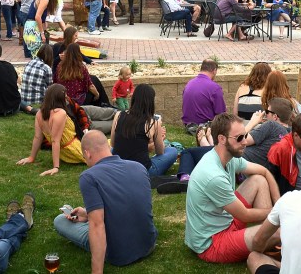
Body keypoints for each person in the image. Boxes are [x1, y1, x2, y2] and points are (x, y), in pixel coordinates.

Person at [54, 130, 158, 270]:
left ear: (87, 153)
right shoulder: (138, 167)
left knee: (60, 220)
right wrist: (86, 214)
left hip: (119, 253)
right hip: (148, 244)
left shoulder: (89, 177)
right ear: (108, 147)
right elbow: (129, 205)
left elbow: (97, 226)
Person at [184, 112, 280, 263]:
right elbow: (245, 215)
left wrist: (279, 203)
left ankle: (264, 237)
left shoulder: (227, 157)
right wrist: (278, 213)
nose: (245, 142)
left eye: (245, 135)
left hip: (226, 221)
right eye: (239, 138)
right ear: (222, 139)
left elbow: (264, 172)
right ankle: (267, 238)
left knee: (258, 180)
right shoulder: (213, 175)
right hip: (212, 242)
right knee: (279, 232)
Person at [109, 84, 181, 177]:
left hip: (119, 167)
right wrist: (161, 139)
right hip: (142, 171)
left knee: (112, 149)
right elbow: (160, 152)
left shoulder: (118, 115)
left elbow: (113, 144)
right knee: (172, 151)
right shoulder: (153, 123)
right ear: (151, 102)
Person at [16, 83, 85, 175]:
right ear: (59, 98)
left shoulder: (39, 114)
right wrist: (55, 167)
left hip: (65, 154)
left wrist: (31, 157)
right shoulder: (60, 113)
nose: (67, 97)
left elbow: (37, 137)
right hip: (75, 149)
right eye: (65, 95)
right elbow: (55, 141)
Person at [242, 98, 294, 173]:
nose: (265, 114)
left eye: (267, 112)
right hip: (263, 172)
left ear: (275, 117)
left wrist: (253, 122)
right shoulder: (289, 132)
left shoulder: (271, 125)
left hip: (247, 169)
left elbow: (240, 140)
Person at [182, 59, 227, 131]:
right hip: (205, 127)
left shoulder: (189, 84)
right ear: (214, 70)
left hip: (188, 125)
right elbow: (221, 114)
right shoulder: (215, 88)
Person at [20, 44, 55, 114]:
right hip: (37, 101)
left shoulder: (30, 62)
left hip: (24, 101)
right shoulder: (46, 68)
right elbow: (50, 88)